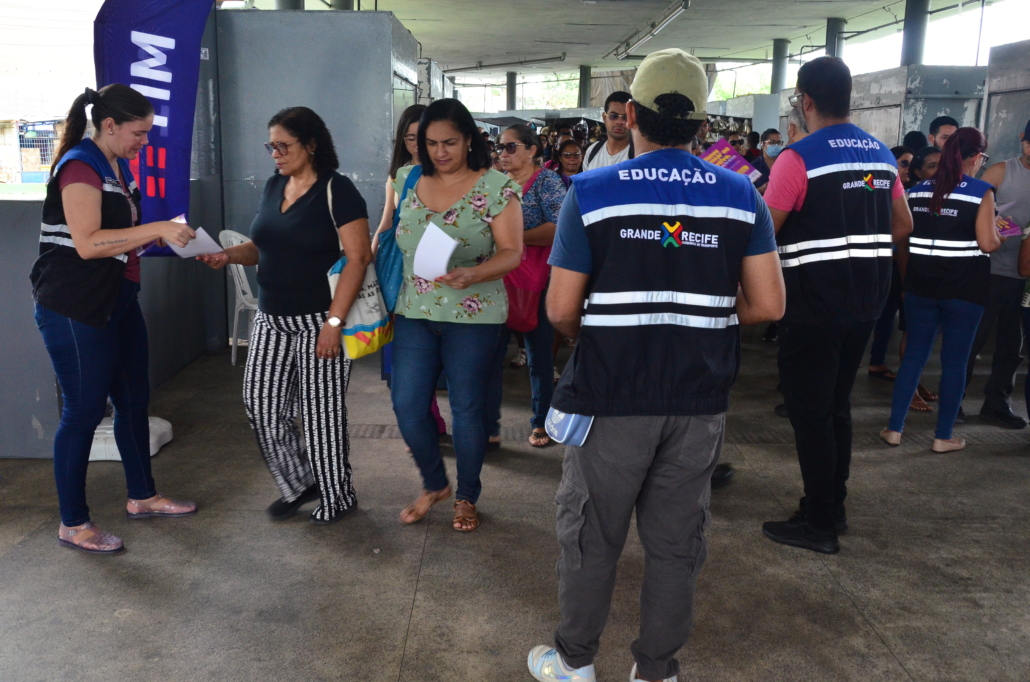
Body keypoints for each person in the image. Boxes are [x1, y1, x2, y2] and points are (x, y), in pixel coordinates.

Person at [527, 48, 785, 682]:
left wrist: (608, 328)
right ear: (702, 125)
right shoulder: (738, 194)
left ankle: (575, 663)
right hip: (697, 400)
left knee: (591, 535)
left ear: (632, 115)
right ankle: (657, 670)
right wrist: (699, 318)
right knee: (675, 544)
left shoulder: (589, 192)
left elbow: (561, 309)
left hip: (610, 398)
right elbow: (768, 302)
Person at [30, 85, 198, 554]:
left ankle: (143, 496)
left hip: (116, 299)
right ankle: (74, 523)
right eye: (138, 133)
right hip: (75, 307)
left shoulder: (115, 166)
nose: (144, 142)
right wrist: (157, 228)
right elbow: (86, 242)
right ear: (109, 126)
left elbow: (118, 238)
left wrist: (166, 239)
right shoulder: (81, 165)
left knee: (133, 400)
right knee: (83, 413)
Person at [761, 56, 913, 554]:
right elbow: (903, 226)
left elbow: (765, 233)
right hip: (866, 303)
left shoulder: (798, 157)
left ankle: (820, 523)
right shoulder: (879, 155)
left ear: (805, 101)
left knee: (810, 414)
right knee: (836, 408)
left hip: (811, 305)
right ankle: (832, 505)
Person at [200, 107, 370, 525]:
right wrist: (228, 255)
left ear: (311, 145)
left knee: (320, 414)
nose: (275, 153)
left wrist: (334, 322)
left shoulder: (338, 190)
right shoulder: (275, 185)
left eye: (283, 145)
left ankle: (337, 495)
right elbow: (262, 249)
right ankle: (300, 482)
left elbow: (357, 258)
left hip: (319, 321)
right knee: (261, 404)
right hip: (271, 317)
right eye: (270, 146)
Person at [391, 99, 523, 533]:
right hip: (415, 309)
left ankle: (466, 495)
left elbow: (512, 253)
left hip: (475, 314)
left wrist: (475, 273)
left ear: (469, 139)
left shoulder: (496, 186)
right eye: (430, 143)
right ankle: (435, 482)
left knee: (467, 410)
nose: (440, 152)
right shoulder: (410, 177)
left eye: (449, 142)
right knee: (408, 404)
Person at [880, 128, 999, 452]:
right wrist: (1001, 233)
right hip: (964, 290)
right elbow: (988, 243)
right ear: (975, 157)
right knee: (955, 362)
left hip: (920, 287)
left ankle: (894, 428)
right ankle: (943, 436)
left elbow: (903, 238)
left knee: (914, 358)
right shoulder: (980, 192)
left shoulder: (917, 191)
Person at [370, 104, 449, 439]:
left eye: (424, 138)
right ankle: (428, 424)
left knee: (452, 358)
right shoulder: (399, 176)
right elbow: (387, 222)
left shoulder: (455, 173)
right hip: (405, 277)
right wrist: (369, 264)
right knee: (409, 362)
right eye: (410, 138)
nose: (417, 145)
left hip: (450, 276)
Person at [486, 124, 565, 448]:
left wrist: (511, 239)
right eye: (499, 147)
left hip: (537, 280)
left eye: (510, 147)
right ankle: (488, 427)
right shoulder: (493, 182)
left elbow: (559, 227)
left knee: (539, 355)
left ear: (532, 150)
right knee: (490, 357)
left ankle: (542, 423)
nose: (502, 153)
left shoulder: (547, 181)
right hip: (497, 279)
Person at [963, 119, 1030, 428]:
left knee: (1010, 347)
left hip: (1023, 279)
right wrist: (1001, 225)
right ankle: (955, 400)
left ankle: (997, 403)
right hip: (988, 272)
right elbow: (971, 215)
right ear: (1021, 139)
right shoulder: (1001, 172)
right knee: (971, 341)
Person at [866, 146, 917, 382]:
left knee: (889, 315)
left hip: (895, 260)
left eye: (910, 164)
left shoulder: (909, 192)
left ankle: (878, 360)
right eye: (903, 163)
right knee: (883, 314)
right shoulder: (876, 188)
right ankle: (876, 361)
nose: (909, 169)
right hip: (886, 260)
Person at [583, 91, 633, 170]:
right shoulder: (592, 151)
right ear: (604, 117)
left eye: (625, 117)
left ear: (633, 119)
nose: (619, 122)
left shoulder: (639, 155)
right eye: (613, 116)